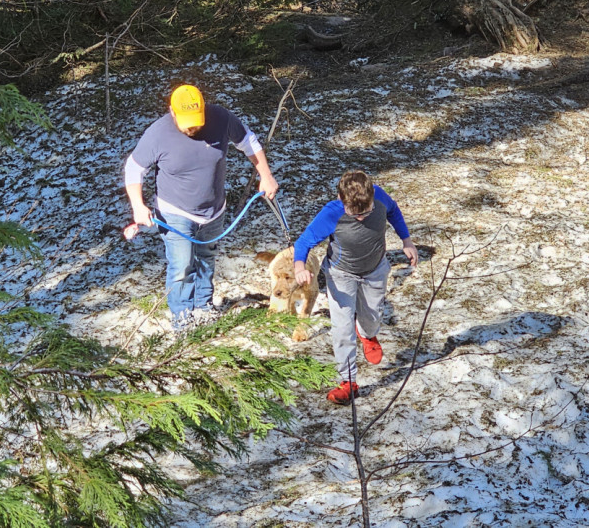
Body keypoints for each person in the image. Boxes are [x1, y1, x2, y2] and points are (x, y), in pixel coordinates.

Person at [124, 84, 279, 330]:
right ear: (172, 113)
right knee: (182, 264)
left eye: (197, 120)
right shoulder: (158, 133)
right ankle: (182, 316)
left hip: (214, 210)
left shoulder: (221, 118)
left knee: (206, 258)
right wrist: (138, 206)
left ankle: (203, 306)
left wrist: (266, 175)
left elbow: (249, 142)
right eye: (186, 122)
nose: (193, 127)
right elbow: (134, 168)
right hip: (175, 211)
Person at [293, 170, 418, 405]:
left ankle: (367, 333)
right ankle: (347, 382)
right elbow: (303, 242)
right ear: (342, 201)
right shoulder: (331, 213)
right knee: (341, 328)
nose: (361, 217)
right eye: (355, 213)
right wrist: (300, 267)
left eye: (367, 211)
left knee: (371, 318)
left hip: (375, 270)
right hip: (341, 275)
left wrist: (406, 240)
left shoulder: (380, 197)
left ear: (373, 196)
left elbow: (393, 211)